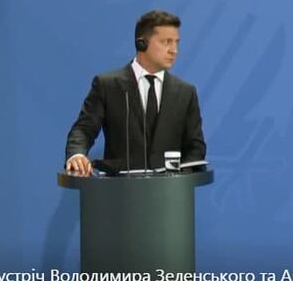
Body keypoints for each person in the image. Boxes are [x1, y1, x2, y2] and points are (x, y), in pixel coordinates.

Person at [65, 10, 206, 176]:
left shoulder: (186, 92)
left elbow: (195, 147)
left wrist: (179, 176)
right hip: (121, 188)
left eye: (176, 43)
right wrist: (77, 154)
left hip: (171, 190)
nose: (174, 50)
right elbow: (83, 129)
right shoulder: (107, 85)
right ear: (141, 44)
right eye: (167, 42)